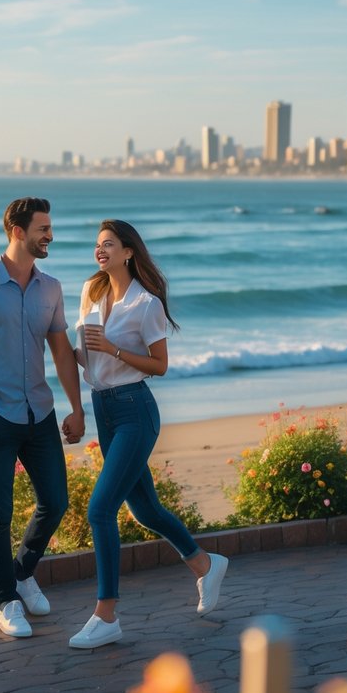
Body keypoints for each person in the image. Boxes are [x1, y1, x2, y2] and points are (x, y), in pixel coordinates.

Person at [68, 219, 227, 650]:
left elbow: (160, 365)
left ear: (128, 252)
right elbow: (86, 360)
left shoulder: (146, 304)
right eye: (97, 244)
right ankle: (205, 564)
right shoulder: (91, 292)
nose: (100, 250)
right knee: (146, 509)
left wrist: (114, 349)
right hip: (105, 409)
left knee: (101, 510)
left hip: (135, 410)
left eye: (109, 244)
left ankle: (106, 615)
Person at [0, 197, 86, 639]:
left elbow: (61, 352)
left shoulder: (51, 288)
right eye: (42, 228)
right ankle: (6, 601)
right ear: (17, 230)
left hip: (40, 412)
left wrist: (76, 408)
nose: (50, 235)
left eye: (50, 227)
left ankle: (23, 573)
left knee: (56, 501)